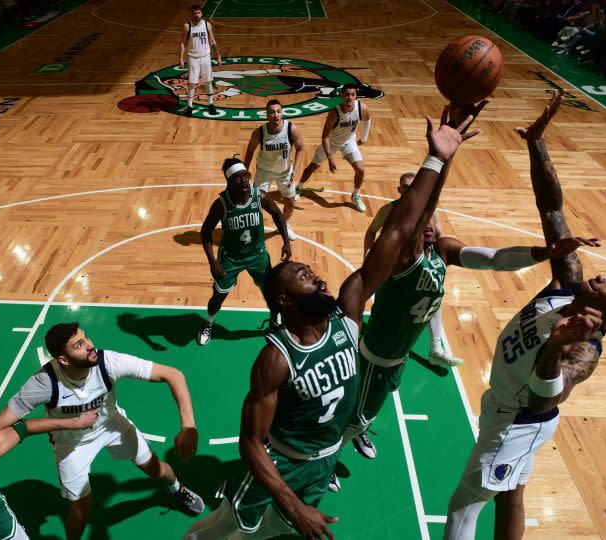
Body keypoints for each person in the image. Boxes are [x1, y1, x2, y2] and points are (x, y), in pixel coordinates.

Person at [184, 107, 481, 540]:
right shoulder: (276, 359)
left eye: (315, 274)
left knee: (281, 533)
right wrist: (291, 503)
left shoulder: (347, 316)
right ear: (284, 299)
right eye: (306, 277)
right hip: (282, 464)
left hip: (322, 463)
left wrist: (437, 160)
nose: (320, 278)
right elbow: (250, 443)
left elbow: (399, 232)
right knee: (216, 535)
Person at [443, 91, 606, 540]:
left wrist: (555, 348)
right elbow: (552, 209)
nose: (603, 276)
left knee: (464, 503)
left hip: (517, 421)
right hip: (502, 406)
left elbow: (548, 398)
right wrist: (536, 142)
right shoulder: (568, 282)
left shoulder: (584, 348)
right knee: (511, 494)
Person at [341, 101, 592, 474]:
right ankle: (330, 454)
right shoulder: (403, 256)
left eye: (431, 219)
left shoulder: (442, 250)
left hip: (399, 353)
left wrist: (544, 252)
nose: (427, 222)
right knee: (355, 415)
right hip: (377, 355)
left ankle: (357, 425)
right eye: (422, 218)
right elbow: (423, 211)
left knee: (368, 407)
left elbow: (493, 258)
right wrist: (443, 157)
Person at [0, 322, 205, 539]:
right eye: (79, 345)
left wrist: (188, 425)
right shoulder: (44, 383)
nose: (90, 346)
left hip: (113, 426)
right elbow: (1, 425)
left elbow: (173, 375)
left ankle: (176, 489)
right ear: (63, 360)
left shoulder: (107, 362)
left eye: (87, 339)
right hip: (71, 445)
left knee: (157, 469)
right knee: (81, 512)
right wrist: (70, 424)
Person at [363, 171, 460, 368]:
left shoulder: (430, 211)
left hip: (420, 264)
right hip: (394, 266)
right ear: (400, 190)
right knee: (384, 302)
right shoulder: (390, 210)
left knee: (432, 297)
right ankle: (369, 335)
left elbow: (441, 238)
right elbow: (371, 230)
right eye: (406, 188)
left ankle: (436, 349)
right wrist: (367, 257)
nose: (410, 190)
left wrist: (437, 265)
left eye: (413, 186)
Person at [196, 156, 292, 346]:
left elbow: (277, 214)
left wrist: (286, 242)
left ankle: (275, 319)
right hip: (230, 259)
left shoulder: (259, 196)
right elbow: (205, 232)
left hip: (258, 255)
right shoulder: (221, 204)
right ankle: (209, 322)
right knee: (219, 295)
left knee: (270, 291)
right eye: (238, 178)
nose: (244, 181)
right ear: (229, 182)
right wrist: (212, 262)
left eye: (245, 176)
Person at [295, 84, 373, 212]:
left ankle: (355, 195)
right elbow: (325, 136)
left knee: (360, 169)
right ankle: (299, 187)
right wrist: (330, 158)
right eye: (347, 94)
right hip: (332, 143)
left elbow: (368, 119)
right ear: (342, 95)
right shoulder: (334, 112)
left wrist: (364, 138)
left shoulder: (361, 108)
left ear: (356, 96)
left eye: (352, 94)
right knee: (312, 167)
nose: (349, 97)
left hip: (349, 142)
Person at [242, 100, 304, 240]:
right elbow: (250, 150)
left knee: (290, 203)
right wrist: (245, 170)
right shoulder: (259, 132)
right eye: (272, 112)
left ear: (281, 113)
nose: (275, 115)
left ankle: (284, 225)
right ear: (267, 115)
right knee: (255, 203)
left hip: (286, 172)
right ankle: (253, 228)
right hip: (264, 171)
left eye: (278, 111)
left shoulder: (291, 129)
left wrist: (295, 170)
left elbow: (300, 149)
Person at [179, 4, 222, 111]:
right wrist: (180, 58)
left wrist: (218, 55)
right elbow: (183, 43)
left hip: (206, 57)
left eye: (198, 13)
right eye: (194, 13)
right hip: (193, 58)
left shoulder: (207, 25)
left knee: (208, 81)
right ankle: (189, 105)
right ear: (192, 14)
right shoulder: (187, 26)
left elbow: (212, 41)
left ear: (201, 13)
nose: (196, 15)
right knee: (192, 83)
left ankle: (211, 104)